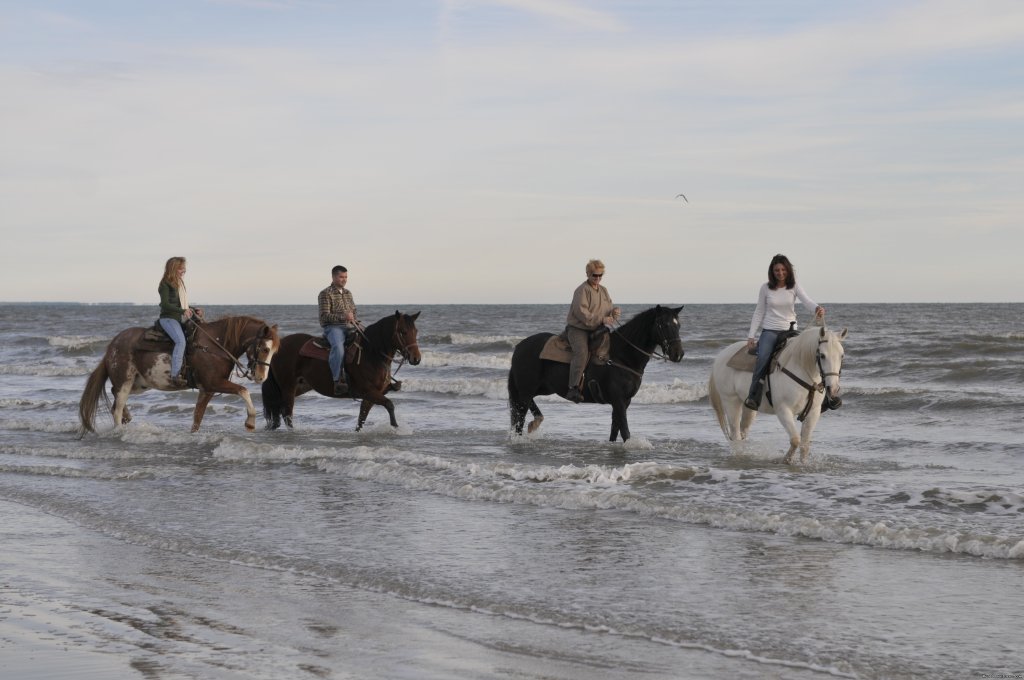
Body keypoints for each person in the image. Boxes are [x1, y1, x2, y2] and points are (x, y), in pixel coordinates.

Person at [744, 253, 825, 410]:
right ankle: (754, 394)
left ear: (788, 270)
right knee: (763, 358)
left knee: (811, 354)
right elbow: (759, 311)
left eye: (783, 270)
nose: (780, 273)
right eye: (776, 270)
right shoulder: (766, 288)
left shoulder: (794, 286)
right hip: (770, 331)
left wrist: (816, 308)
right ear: (772, 272)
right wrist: (751, 335)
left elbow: (807, 301)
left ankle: (824, 395)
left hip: (790, 331)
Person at [564, 259, 620, 403]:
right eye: (595, 275)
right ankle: (573, 388)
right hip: (579, 328)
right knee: (581, 353)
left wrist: (613, 313)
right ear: (588, 274)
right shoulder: (581, 290)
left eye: (600, 275)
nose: (598, 278)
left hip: (597, 328)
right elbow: (581, 313)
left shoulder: (604, 290)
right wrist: (602, 319)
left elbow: (607, 310)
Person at [158, 256, 201, 388]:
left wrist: (193, 309)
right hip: (168, 318)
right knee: (180, 341)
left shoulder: (180, 284)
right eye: (181, 268)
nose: (184, 271)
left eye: (184, 269)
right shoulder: (165, 284)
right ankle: (175, 375)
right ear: (174, 268)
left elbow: (182, 304)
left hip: (177, 318)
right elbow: (164, 304)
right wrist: (183, 311)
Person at [318, 265, 358, 396]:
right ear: (334, 277)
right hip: (333, 327)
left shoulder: (348, 293)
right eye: (341, 277)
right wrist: (343, 316)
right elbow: (324, 316)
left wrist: (354, 319)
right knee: (338, 348)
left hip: (350, 326)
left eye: (346, 277)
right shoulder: (325, 293)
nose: (344, 279)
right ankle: (336, 381)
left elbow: (353, 311)